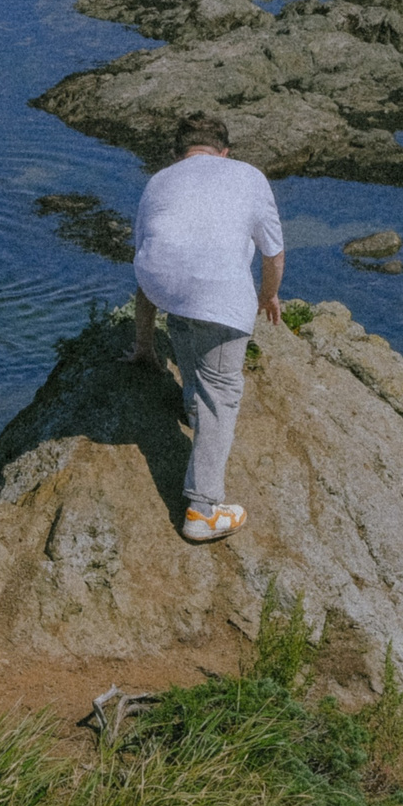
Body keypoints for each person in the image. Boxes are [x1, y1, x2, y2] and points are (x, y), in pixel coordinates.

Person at [127, 110, 284, 543]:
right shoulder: (249, 175)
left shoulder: (158, 181)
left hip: (165, 285)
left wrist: (144, 345)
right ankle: (203, 509)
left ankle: (193, 406)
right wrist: (267, 296)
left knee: (187, 311)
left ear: (178, 153)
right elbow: (273, 255)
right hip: (217, 288)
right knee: (223, 392)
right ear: (225, 151)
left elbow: (147, 264)